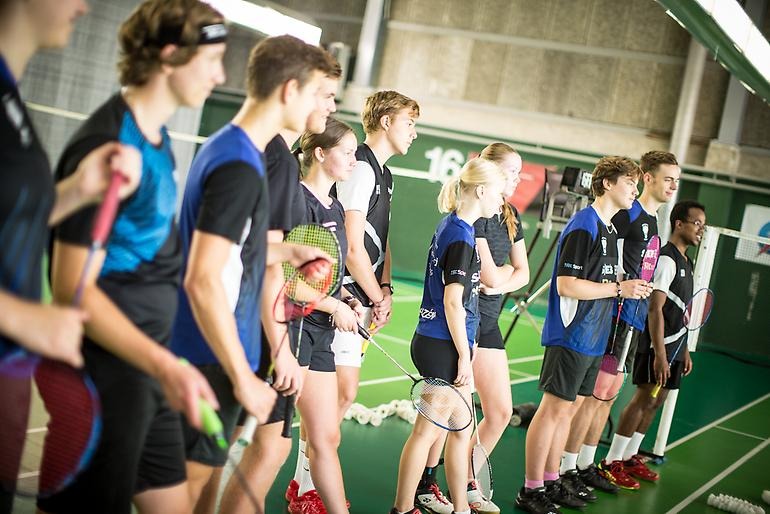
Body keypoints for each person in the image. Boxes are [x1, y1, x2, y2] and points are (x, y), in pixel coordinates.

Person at [41, 2, 226, 512]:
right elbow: (71, 288)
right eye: (212, 59)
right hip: (105, 379)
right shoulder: (107, 144)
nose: (221, 74)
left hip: (151, 370)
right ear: (170, 56)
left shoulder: (158, 140)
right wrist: (166, 365)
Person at [169, 35, 336, 510]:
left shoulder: (232, 147)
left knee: (197, 485)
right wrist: (244, 376)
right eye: (314, 94)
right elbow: (202, 277)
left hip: (215, 352)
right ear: (289, 91)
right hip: (209, 355)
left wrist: (289, 248)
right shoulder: (242, 163)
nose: (317, 108)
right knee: (184, 490)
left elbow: (238, 245)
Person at [0, 1, 140, 510]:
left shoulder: (10, 98)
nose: (83, 4)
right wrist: (24, 317)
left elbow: (10, 217)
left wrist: (78, 191)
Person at [289, 89, 420, 511]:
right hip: (313, 311)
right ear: (385, 121)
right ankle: (303, 485)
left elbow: (379, 241)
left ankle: (306, 485)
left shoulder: (384, 174)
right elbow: (351, 244)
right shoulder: (359, 171)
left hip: (343, 299)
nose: (414, 133)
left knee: (337, 403)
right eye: (409, 123)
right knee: (331, 402)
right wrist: (367, 293)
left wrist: (383, 290)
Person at [516, 156, 652, 514]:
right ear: (607, 183)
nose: (634, 190)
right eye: (629, 183)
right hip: (572, 333)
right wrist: (619, 288)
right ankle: (530, 489)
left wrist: (623, 289)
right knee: (552, 411)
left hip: (594, 336)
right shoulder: (584, 225)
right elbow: (567, 285)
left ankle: (550, 480)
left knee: (569, 412)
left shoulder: (609, 229)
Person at [413, 143, 530, 514]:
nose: (514, 180)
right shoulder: (472, 218)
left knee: (498, 412)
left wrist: (502, 281)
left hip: (489, 322)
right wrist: (502, 278)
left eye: (518, 173)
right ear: (487, 174)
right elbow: (493, 276)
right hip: (466, 323)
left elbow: (517, 275)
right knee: (446, 419)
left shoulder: (509, 214)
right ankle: (428, 484)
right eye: (509, 172)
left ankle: (466, 481)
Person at [558, 150, 681, 496]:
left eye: (676, 180)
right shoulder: (629, 215)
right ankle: (569, 466)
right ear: (647, 177)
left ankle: (584, 463)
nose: (673, 185)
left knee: (608, 396)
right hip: (615, 316)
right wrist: (617, 290)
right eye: (667, 178)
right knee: (597, 394)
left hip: (635, 317)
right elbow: (605, 259)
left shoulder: (653, 221)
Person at [391, 157, 507, 514]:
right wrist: (465, 355)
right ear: (483, 191)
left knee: (459, 433)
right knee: (427, 433)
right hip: (442, 345)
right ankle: (402, 508)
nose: (502, 201)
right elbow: (453, 302)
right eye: (499, 193)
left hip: (445, 342)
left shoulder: (458, 228)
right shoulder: (459, 236)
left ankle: (460, 508)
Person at [283, 117, 364, 514]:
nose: (354, 159)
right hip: (290, 332)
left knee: (326, 436)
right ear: (320, 152)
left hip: (320, 335)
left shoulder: (334, 206)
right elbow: (288, 282)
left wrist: (344, 295)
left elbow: (325, 272)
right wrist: (332, 305)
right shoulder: (299, 203)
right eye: (347, 152)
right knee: (269, 442)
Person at [601, 200, 705, 482]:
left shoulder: (687, 261)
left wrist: (682, 350)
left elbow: (681, 310)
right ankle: (612, 461)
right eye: (696, 223)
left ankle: (630, 456)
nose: (701, 230)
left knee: (656, 402)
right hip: (655, 345)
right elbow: (655, 308)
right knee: (642, 398)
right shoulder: (667, 259)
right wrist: (659, 354)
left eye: (703, 225)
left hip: (674, 346)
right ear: (679, 223)